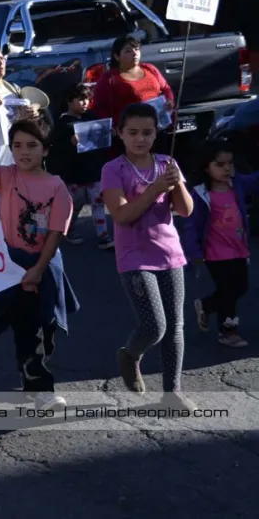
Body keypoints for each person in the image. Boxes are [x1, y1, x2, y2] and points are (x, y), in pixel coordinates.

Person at [0, 118, 77, 412]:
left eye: (32, 145)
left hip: (45, 266)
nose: (24, 152)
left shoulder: (56, 187)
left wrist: (38, 269)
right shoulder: (5, 176)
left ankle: (31, 374)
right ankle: (40, 390)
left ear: (45, 150)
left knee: (47, 329)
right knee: (28, 330)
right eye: (17, 145)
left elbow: (55, 233)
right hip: (13, 267)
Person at [101, 103, 195, 409]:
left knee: (175, 326)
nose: (140, 139)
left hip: (170, 254)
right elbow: (122, 215)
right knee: (155, 325)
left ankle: (172, 393)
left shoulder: (167, 162)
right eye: (133, 132)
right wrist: (155, 189)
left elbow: (185, 210)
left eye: (147, 132)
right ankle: (130, 355)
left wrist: (177, 183)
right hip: (134, 258)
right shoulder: (113, 169)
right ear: (120, 133)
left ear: (156, 133)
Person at [181, 140, 259, 348]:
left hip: (239, 249)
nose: (227, 168)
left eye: (230, 163)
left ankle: (206, 305)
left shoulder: (237, 183)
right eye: (220, 164)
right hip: (215, 252)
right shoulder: (200, 194)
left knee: (240, 287)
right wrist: (193, 252)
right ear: (206, 167)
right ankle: (228, 331)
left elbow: (255, 181)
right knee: (229, 291)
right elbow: (192, 226)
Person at [48, 84, 114, 249]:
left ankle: (103, 235)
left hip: (94, 170)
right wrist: (70, 143)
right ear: (69, 101)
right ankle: (69, 229)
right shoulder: (62, 123)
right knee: (74, 205)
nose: (85, 103)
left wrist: (108, 134)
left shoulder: (92, 116)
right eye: (80, 99)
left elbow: (100, 138)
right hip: (75, 174)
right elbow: (56, 149)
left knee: (98, 202)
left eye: (87, 99)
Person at [91, 35, 175, 152]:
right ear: (117, 56)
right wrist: (112, 128)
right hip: (130, 137)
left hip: (156, 130)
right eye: (128, 51)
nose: (135, 53)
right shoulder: (109, 79)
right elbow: (100, 107)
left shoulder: (150, 69)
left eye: (136, 49)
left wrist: (169, 100)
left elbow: (166, 88)